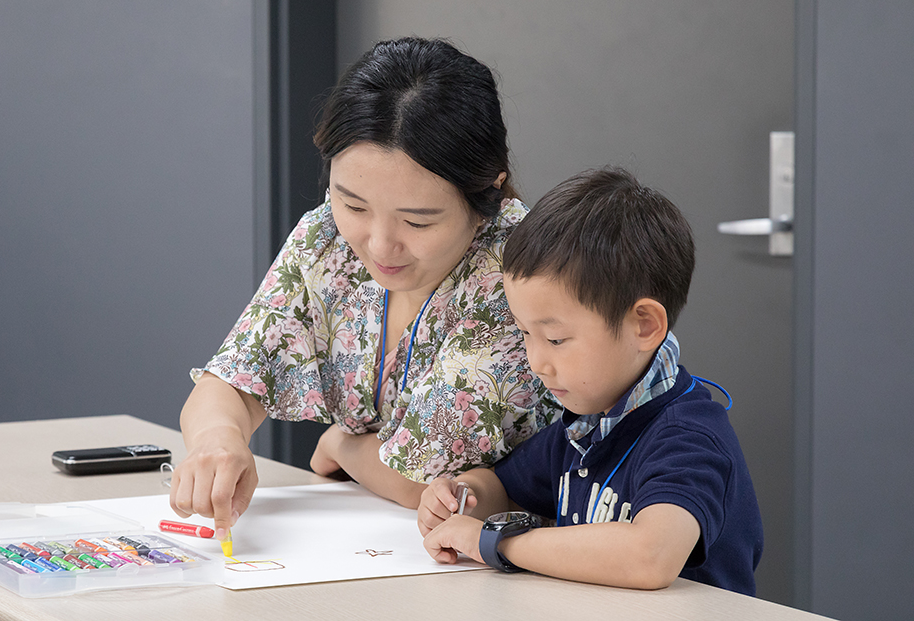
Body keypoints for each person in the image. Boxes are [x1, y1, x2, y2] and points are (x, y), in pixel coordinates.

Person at [169, 37, 559, 543]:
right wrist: (218, 440)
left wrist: (343, 446)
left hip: (522, 558)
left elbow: (424, 479)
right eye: (353, 205)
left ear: (487, 192)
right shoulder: (325, 239)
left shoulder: (519, 270)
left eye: (417, 221)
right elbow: (231, 381)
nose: (379, 245)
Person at [418, 168, 763, 594]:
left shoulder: (688, 437)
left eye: (556, 338)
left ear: (644, 326)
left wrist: (497, 542)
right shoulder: (585, 425)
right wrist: (462, 495)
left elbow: (650, 556)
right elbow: (501, 489)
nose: (537, 361)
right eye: (526, 334)